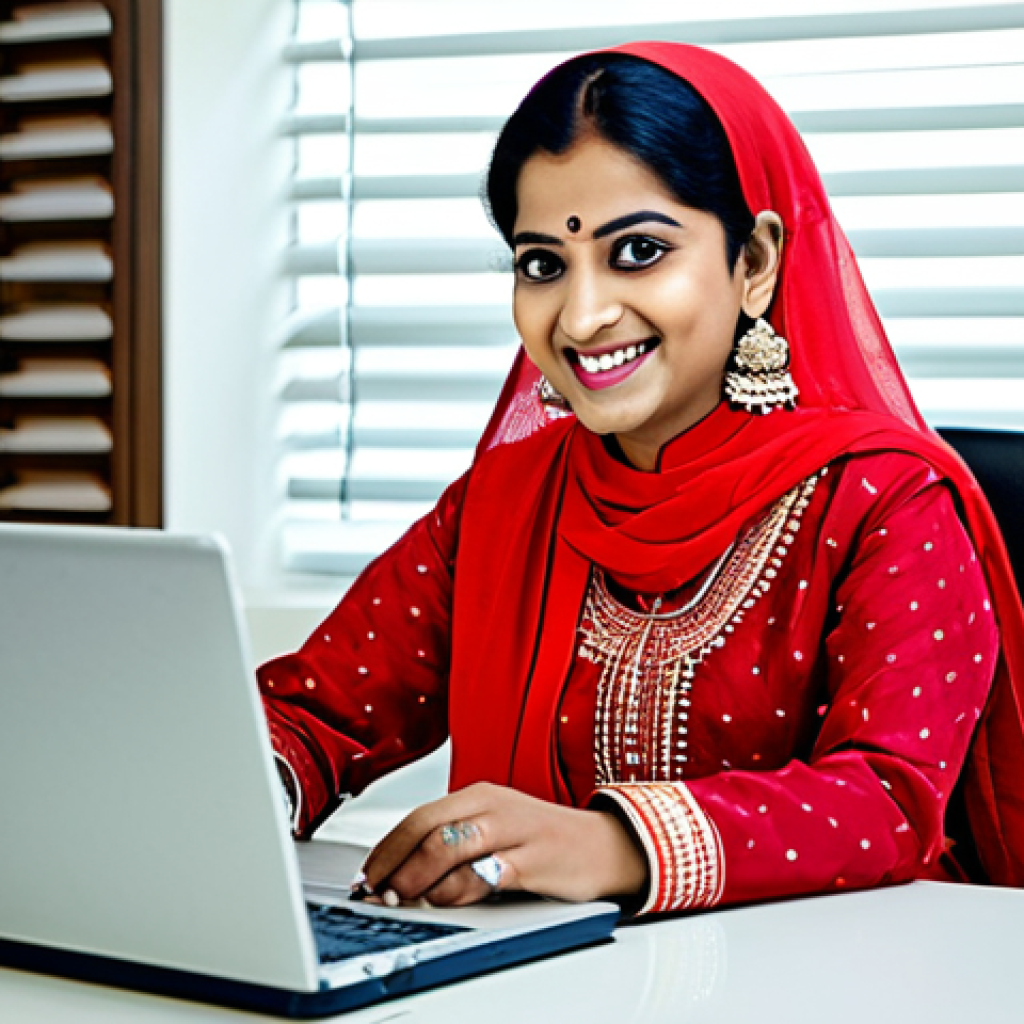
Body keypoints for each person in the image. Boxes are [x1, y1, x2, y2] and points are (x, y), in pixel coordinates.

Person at [259, 41, 1024, 915]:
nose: (582, 317)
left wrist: (617, 842)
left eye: (638, 253)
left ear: (757, 262)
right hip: (539, 985)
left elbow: (890, 803)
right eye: (543, 264)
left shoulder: (884, 500)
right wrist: (245, 791)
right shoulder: (503, 504)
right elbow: (320, 712)